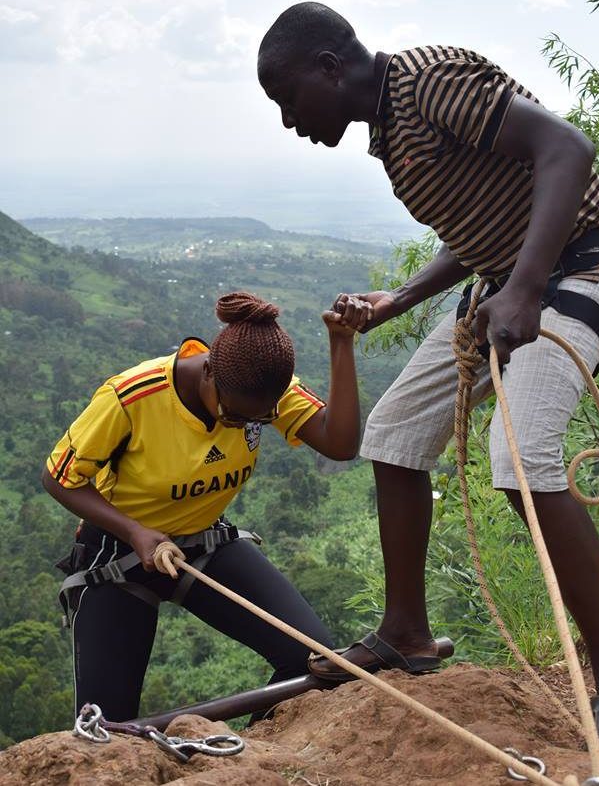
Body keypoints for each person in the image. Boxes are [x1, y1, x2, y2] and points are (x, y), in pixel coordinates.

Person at [257, 3, 599, 763]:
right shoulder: (392, 133)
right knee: (394, 434)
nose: (289, 120)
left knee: (520, 456)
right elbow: (481, 229)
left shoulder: (428, 82)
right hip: (507, 282)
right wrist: (399, 299)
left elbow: (567, 149)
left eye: (288, 98)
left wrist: (527, 289)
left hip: (583, 269)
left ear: (331, 68)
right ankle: (407, 632)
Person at [43, 291, 361, 723]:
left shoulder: (265, 387)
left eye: (258, 421)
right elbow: (59, 478)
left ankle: (256, 757)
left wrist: (341, 343)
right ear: (209, 371)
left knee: (311, 659)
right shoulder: (134, 397)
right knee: (106, 726)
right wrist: (135, 532)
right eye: (234, 418)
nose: (243, 427)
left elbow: (341, 445)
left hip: (206, 541)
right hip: (118, 554)